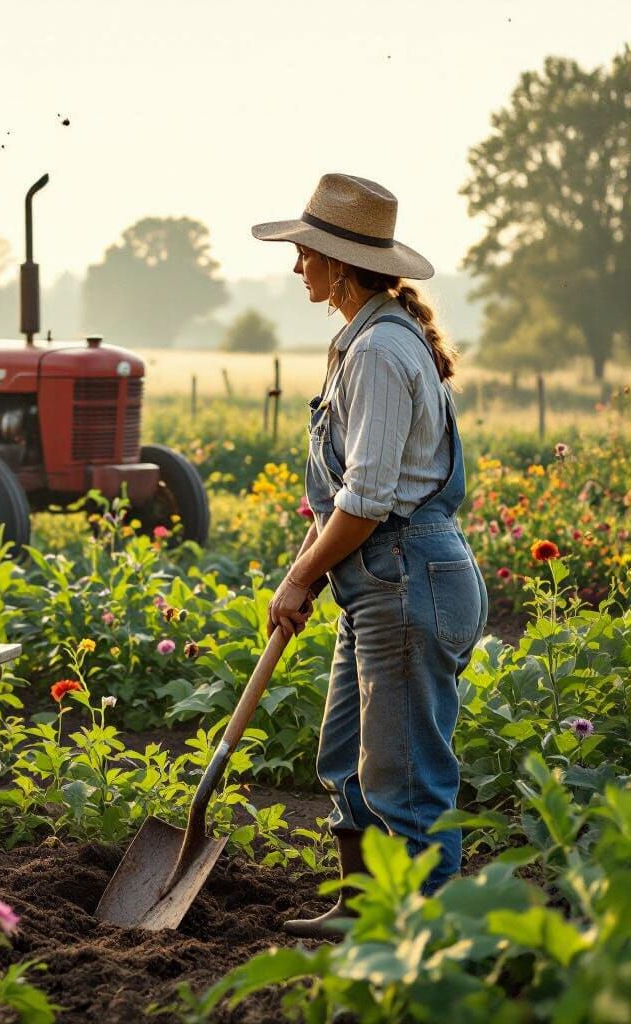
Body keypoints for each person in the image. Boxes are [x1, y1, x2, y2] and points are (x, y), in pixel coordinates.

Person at [252, 173, 488, 938]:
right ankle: (364, 913)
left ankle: (425, 945)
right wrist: (310, 569)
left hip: (405, 579)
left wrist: (299, 575)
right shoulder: (362, 341)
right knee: (347, 760)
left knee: (407, 781)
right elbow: (342, 497)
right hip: (379, 581)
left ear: (339, 265)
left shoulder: (381, 353)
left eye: (305, 253)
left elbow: (369, 499)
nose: (297, 268)